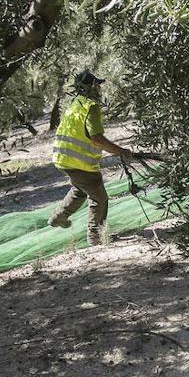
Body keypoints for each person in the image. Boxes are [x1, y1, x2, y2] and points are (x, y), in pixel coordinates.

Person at [50, 70, 136, 246]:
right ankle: (96, 237)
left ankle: (60, 216)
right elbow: (97, 139)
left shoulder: (76, 104)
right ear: (90, 87)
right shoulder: (91, 107)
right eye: (97, 85)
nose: (99, 88)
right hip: (80, 162)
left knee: (80, 189)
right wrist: (121, 151)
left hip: (63, 159)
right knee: (99, 198)